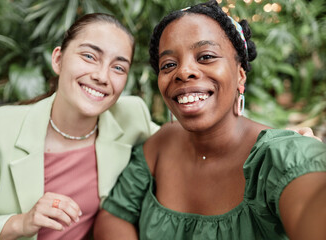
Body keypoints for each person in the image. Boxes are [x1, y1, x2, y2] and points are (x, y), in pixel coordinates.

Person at [94, 1, 326, 239]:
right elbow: (114, 215)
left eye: (205, 56)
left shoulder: (277, 155)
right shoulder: (162, 143)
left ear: (240, 75)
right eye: (169, 65)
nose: (183, 72)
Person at [0, 13, 159, 240]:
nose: (102, 76)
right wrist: (22, 222)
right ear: (58, 60)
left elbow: (187, 143)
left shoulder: (131, 116)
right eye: (89, 56)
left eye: (118, 68)